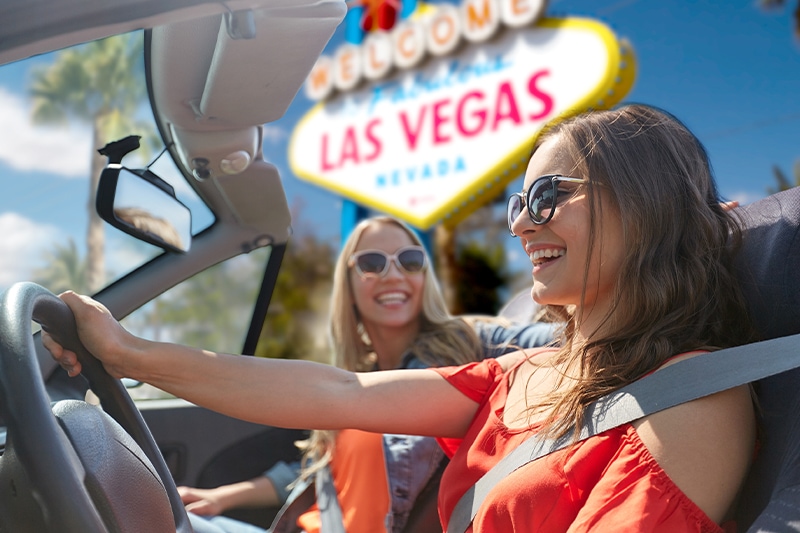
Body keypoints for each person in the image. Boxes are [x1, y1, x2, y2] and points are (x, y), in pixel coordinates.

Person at [44, 104, 757, 532]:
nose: (520, 225)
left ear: (647, 201)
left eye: (546, 195)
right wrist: (129, 351)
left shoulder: (694, 399)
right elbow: (338, 394)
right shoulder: (522, 370)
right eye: (516, 202)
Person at [163, 215, 557, 533]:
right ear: (348, 286)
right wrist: (222, 497)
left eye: (409, 260)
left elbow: (563, 340)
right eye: (371, 263)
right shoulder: (349, 376)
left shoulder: (470, 343)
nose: (392, 274)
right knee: (158, 516)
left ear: (424, 277)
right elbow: (316, 470)